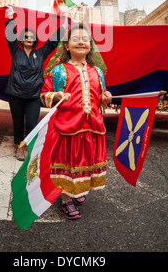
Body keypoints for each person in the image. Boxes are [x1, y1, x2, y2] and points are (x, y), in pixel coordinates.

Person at [40, 22, 112, 220]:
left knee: (86, 162)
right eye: (75, 39)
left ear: (91, 45)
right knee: (69, 164)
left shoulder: (97, 72)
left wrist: (105, 98)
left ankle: (78, 190)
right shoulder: (58, 71)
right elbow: (44, 95)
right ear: (66, 45)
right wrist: (56, 96)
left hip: (93, 127)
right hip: (67, 129)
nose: (81, 42)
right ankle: (66, 199)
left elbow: (100, 98)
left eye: (85, 39)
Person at [5, 6, 65, 160]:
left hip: (33, 96)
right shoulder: (15, 51)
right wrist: (11, 17)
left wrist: (63, 25)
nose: (28, 38)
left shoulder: (40, 53)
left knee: (31, 124)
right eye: (25, 36)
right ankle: (19, 147)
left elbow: (52, 42)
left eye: (31, 36)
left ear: (35, 39)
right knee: (17, 124)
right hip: (15, 94)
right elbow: (9, 36)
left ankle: (27, 146)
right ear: (21, 39)